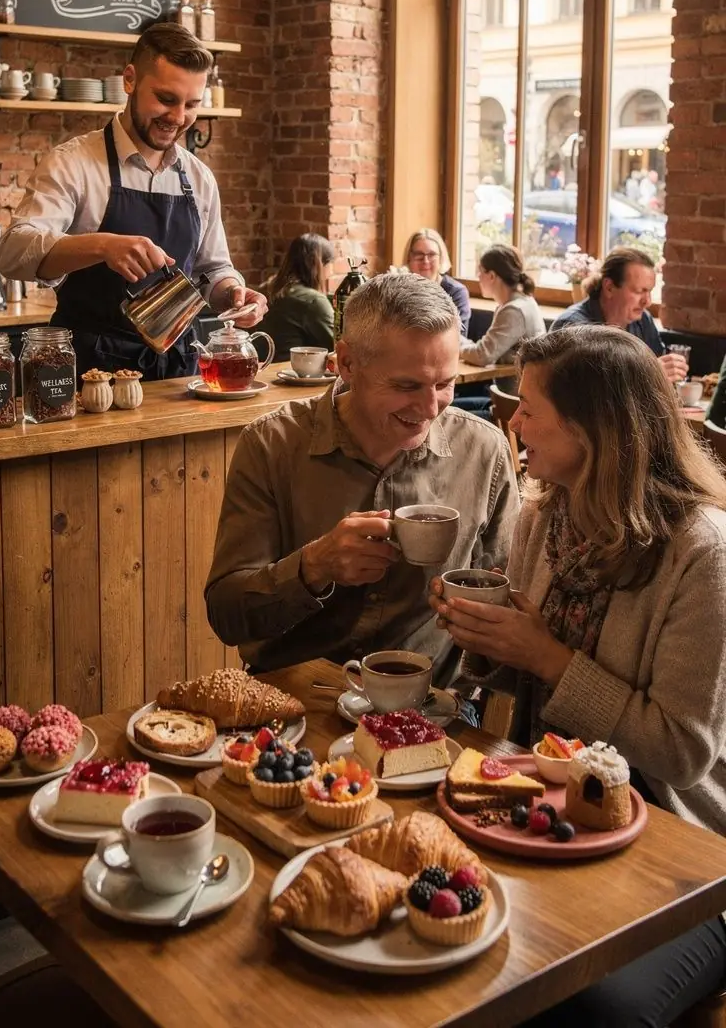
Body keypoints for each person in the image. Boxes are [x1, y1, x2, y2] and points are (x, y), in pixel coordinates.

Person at [431, 327, 726, 1027]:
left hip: (687, 854)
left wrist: (547, 657)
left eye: (530, 407)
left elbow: (682, 754)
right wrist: (479, 648)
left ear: (593, 430)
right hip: (550, 813)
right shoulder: (545, 517)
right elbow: (508, 704)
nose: (512, 419)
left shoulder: (702, 555)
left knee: (592, 1009)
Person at [205, 273, 518, 679]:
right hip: (293, 704)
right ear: (348, 363)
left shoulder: (484, 451)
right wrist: (314, 567)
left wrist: (484, 629)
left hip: (429, 710)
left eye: (445, 383)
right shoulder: (273, 443)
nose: (429, 408)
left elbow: (502, 609)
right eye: (407, 385)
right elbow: (227, 617)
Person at [0, 24, 266, 378]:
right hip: (90, 376)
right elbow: (12, 253)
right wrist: (101, 246)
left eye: (192, 105)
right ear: (129, 80)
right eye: (166, 99)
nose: (178, 117)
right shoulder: (72, 163)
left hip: (176, 375)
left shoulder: (198, 178)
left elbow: (212, 270)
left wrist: (234, 295)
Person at [550, 247, 687, 385]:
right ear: (609, 287)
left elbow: (658, 367)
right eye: (640, 291)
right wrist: (647, 374)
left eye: (650, 291)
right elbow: (578, 393)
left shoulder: (643, 321)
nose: (647, 302)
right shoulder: (570, 327)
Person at [459, 245, 546, 394]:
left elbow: (482, 355)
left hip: (513, 403)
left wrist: (452, 340)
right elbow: (486, 352)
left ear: (492, 276)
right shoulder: (522, 302)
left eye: (480, 272)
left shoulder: (514, 311)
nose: (478, 278)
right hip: (509, 396)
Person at [258, 234, 334, 361]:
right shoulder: (313, 301)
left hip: (258, 371)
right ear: (322, 265)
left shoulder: (265, 289)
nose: (331, 272)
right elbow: (336, 347)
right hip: (292, 373)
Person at [403, 228, 471, 335]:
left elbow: (457, 337)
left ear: (441, 259)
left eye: (431, 255)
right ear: (409, 259)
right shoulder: (400, 290)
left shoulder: (457, 292)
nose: (425, 261)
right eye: (418, 255)